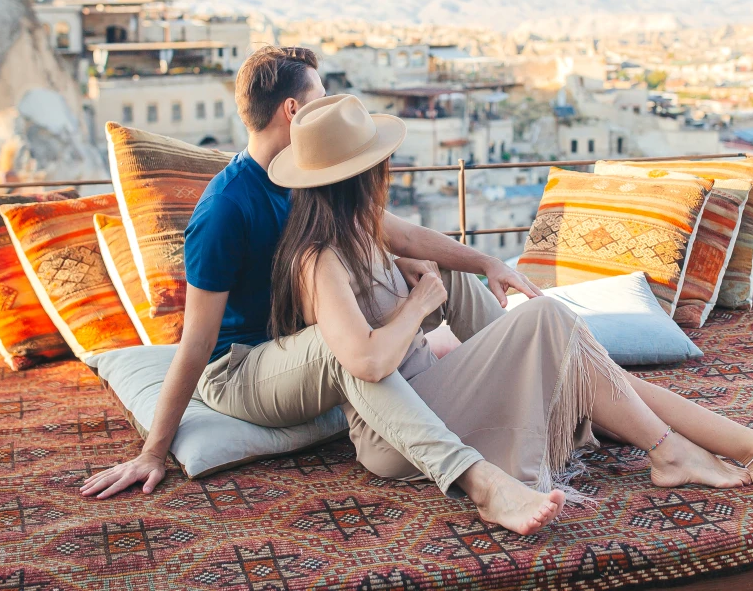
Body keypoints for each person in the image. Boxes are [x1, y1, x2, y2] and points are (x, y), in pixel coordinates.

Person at [265, 94, 753, 517]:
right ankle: (672, 451)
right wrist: (419, 304)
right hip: (400, 433)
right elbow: (367, 363)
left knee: (585, 362)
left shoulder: (360, 222)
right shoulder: (319, 260)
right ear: (364, 173)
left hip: (437, 389)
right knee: (548, 319)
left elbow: (418, 239)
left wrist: (488, 263)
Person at [83, 47, 564, 535]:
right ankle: (481, 483)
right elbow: (197, 343)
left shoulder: (308, 175)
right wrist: (153, 452)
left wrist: (487, 263)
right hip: (243, 369)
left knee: (437, 272)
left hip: (304, 345)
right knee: (340, 348)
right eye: (321, 95)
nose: (329, 104)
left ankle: (554, 386)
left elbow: (402, 235)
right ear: (293, 110)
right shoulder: (225, 208)